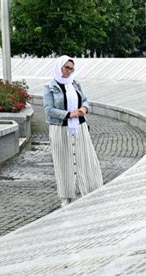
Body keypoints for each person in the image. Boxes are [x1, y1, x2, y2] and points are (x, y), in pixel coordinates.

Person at [43, 55, 103, 207]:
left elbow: (85, 99)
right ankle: (66, 196)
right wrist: (69, 114)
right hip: (60, 129)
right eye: (66, 67)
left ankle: (89, 191)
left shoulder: (75, 84)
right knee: (63, 162)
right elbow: (49, 109)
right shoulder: (50, 87)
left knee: (85, 158)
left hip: (79, 128)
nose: (69, 71)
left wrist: (84, 108)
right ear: (59, 67)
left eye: (71, 68)